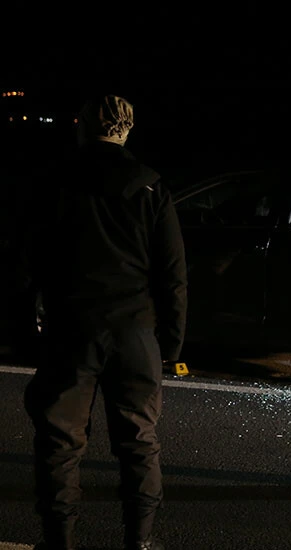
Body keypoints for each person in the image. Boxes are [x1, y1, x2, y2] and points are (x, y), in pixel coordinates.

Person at [20, 94, 187, 550]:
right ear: (127, 130)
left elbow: (31, 258)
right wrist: (170, 346)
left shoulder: (55, 181)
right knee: (138, 441)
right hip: (135, 331)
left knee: (60, 441)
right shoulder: (152, 187)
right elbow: (173, 275)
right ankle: (140, 539)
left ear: (82, 126)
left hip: (72, 328)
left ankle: (59, 539)